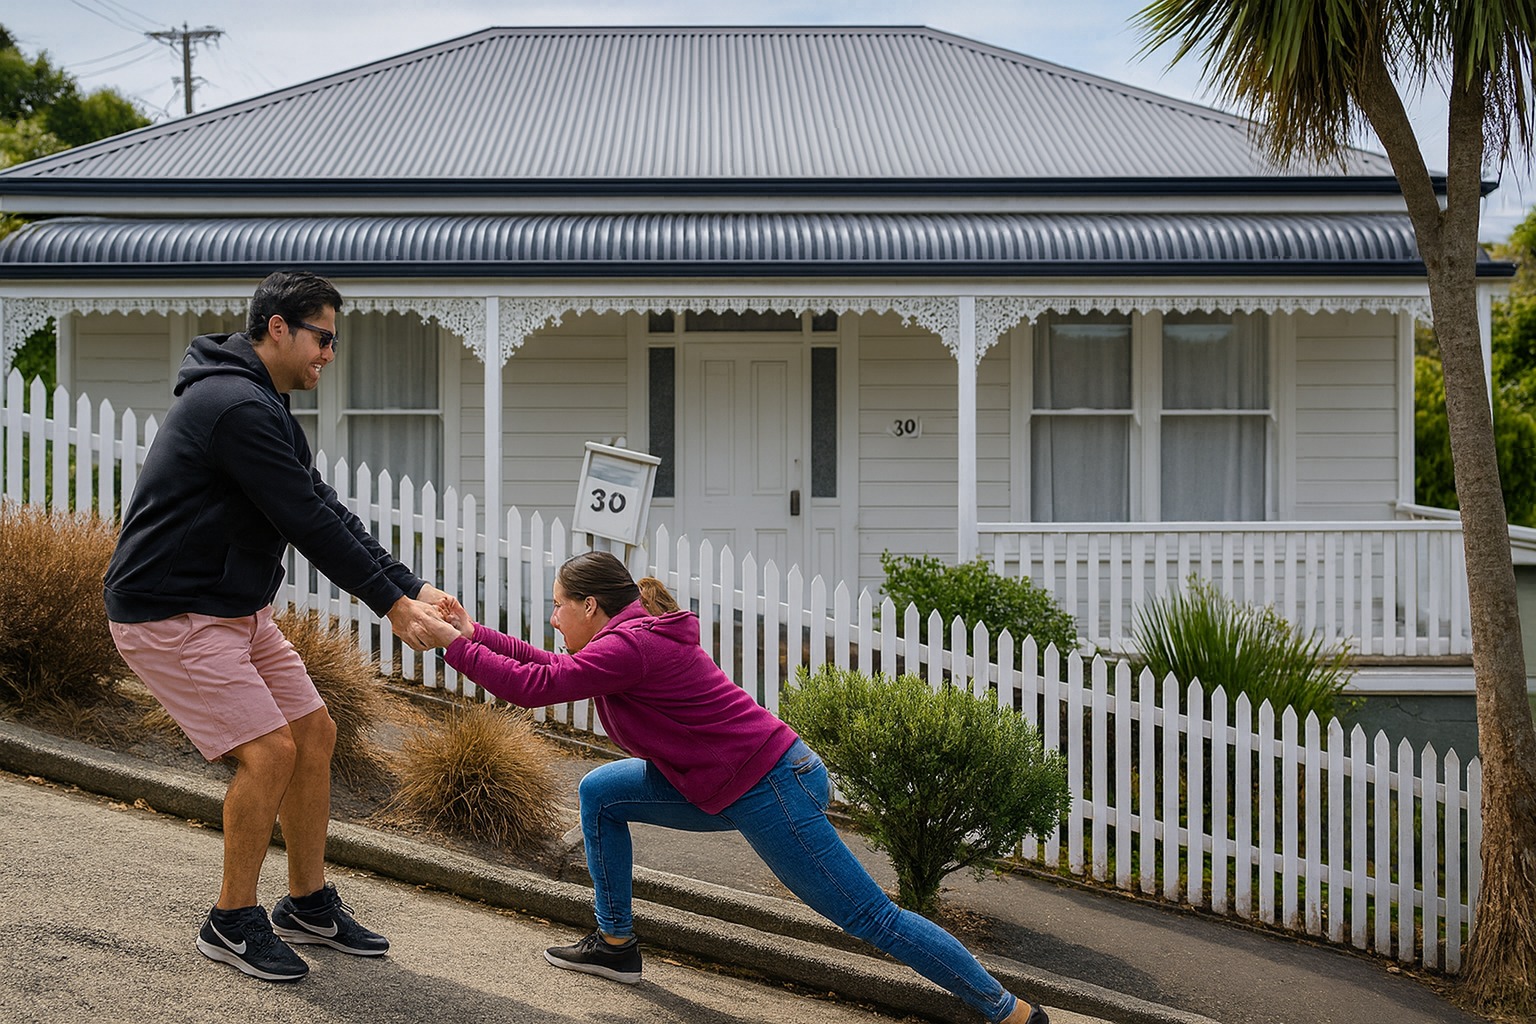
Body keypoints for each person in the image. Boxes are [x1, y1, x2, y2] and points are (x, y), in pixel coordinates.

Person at [419, 551, 1047, 1024]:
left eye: (558, 604)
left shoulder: (631, 646)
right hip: (722, 780)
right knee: (601, 793)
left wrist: (451, 647)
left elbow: (537, 688)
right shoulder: (624, 638)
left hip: (773, 785)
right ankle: (615, 943)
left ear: (590, 606)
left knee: (870, 917)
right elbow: (556, 668)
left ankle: (1011, 1012)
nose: (551, 617)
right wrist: (474, 634)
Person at [104, 270, 452, 983]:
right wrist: (389, 605)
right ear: (278, 329)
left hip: (235, 609)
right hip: (174, 613)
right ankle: (231, 921)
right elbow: (305, 522)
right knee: (269, 752)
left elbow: (323, 507)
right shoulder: (234, 408)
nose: (329, 354)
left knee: (313, 733)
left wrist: (412, 585)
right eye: (323, 338)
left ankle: (306, 903)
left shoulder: (263, 408)